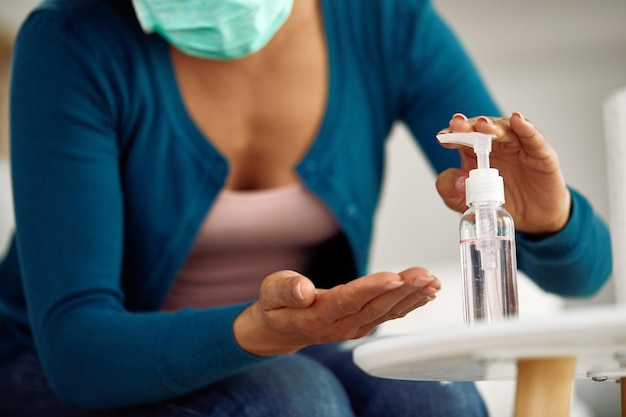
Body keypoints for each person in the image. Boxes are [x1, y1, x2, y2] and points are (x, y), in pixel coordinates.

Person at [0, 0, 612, 415]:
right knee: (293, 398)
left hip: (295, 344)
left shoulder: (383, 22)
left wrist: (547, 220)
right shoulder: (71, 40)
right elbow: (78, 352)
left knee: (435, 400)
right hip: (74, 366)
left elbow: (582, 277)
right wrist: (261, 332)